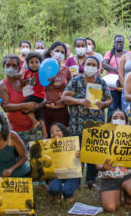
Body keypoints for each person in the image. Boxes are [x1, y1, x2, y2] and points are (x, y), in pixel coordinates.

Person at [61, 56, 113, 188]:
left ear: (97, 68)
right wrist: (79, 101)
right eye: (88, 64)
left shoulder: (101, 82)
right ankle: (76, 180)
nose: (91, 67)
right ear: (83, 66)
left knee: (93, 152)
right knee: (78, 153)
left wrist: (104, 104)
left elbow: (109, 99)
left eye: (93, 65)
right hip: (78, 123)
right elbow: (64, 98)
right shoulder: (76, 81)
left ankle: (90, 180)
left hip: (96, 123)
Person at [98, 110, 131, 212]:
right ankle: (114, 193)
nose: (118, 120)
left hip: (127, 175)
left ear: (127, 123)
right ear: (109, 122)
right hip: (108, 177)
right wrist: (103, 167)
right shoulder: (101, 138)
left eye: (122, 118)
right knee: (111, 208)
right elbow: (97, 166)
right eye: (115, 118)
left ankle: (127, 194)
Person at [0, 55, 43, 146]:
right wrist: (25, 105)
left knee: (36, 154)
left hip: (34, 129)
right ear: (3, 66)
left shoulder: (26, 80)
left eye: (14, 65)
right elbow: (5, 107)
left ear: (19, 67)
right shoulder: (2, 85)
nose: (11, 68)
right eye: (8, 65)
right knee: (20, 154)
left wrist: (38, 105)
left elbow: (42, 95)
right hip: (16, 131)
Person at [46, 122, 80, 201]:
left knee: (67, 192)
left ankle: (71, 191)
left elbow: (79, 167)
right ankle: (57, 193)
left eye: (58, 130)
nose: (55, 133)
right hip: (56, 176)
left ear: (63, 132)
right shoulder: (47, 147)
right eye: (52, 132)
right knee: (54, 189)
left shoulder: (72, 144)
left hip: (72, 175)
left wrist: (80, 158)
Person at [42, 42, 72, 128]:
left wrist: (65, 99)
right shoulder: (42, 68)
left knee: (61, 133)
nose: (59, 54)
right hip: (44, 110)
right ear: (51, 52)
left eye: (62, 52)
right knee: (46, 135)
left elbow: (71, 89)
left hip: (61, 110)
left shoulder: (66, 70)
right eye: (57, 51)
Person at [21, 52, 47, 136]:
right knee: (39, 114)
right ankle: (45, 134)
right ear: (27, 63)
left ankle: (35, 122)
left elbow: (35, 82)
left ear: (40, 63)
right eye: (31, 62)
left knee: (24, 107)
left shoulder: (41, 72)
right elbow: (23, 81)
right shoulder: (26, 72)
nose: (34, 64)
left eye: (37, 62)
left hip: (38, 95)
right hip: (32, 94)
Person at [103, 34, 125, 114]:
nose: (119, 44)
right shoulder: (109, 53)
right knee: (112, 108)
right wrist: (117, 70)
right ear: (114, 43)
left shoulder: (127, 53)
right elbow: (104, 64)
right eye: (117, 42)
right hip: (112, 86)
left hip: (124, 85)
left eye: (121, 42)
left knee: (124, 108)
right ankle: (110, 122)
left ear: (124, 43)